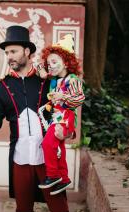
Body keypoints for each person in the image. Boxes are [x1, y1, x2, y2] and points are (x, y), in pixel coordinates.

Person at [0, 25, 72, 212]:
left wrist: (66, 130)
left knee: (59, 209)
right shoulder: (1, 86)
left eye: (13, 51)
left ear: (27, 51)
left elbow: (65, 111)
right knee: (23, 211)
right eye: (6, 53)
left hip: (47, 157)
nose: (9, 57)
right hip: (20, 158)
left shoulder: (47, 81)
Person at [36, 36, 85, 195]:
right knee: (58, 147)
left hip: (66, 117)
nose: (51, 66)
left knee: (47, 144)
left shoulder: (73, 80)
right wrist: (43, 72)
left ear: (66, 62)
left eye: (55, 62)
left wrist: (63, 97)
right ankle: (64, 179)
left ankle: (52, 175)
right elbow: (42, 70)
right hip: (56, 117)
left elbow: (79, 99)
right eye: (49, 63)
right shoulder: (55, 80)